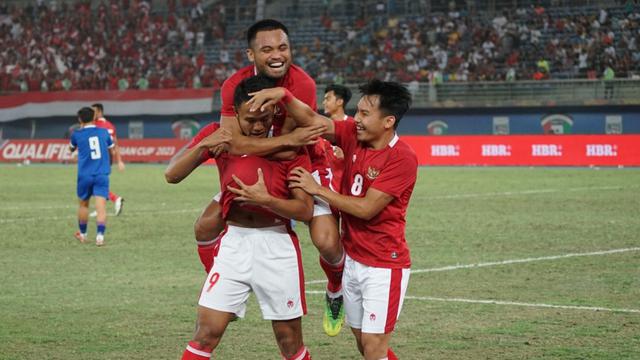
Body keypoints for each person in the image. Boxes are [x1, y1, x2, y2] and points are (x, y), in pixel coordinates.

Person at [181, 19, 346, 337]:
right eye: (266, 48)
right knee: (205, 225)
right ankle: (220, 290)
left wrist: (283, 108)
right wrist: (277, 147)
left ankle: (336, 289)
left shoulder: (304, 84)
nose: (276, 54)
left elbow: (296, 144)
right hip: (263, 162)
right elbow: (233, 140)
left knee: (326, 241)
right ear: (250, 54)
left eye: (282, 47)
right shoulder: (233, 85)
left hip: (306, 162)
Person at [249, 79, 417, 360]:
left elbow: (366, 209)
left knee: (374, 347)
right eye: (358, 111)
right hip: (352, 260)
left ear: (388, 121)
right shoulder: (353, 133)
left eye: (365, 114)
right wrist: (285, 95)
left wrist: (318, 190)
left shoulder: (402, 158)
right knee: (365, 345)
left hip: (384, 266)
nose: (357, 119)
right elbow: (314, 120)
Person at [179, 75, 314, 360]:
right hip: (234, 244)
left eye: (264, 118)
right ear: (235, 114)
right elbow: (172, 175)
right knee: (205, 335)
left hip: (277, 247)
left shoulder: (290, 149)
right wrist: (204, 147)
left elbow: (305, 210)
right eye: (249, 119)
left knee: (289, 343)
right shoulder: (220, 136)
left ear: (274, 113)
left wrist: (268, 200)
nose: (257, 126)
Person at [69, 107, 116, 247]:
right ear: (94, 117)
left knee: (83, 205)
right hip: (101, 173)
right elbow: (111, 149)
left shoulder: (76, 134)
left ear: (80, 119)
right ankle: (100, 237)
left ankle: (83, 234)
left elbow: (71, 149)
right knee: (101, 206)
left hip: (85, 174)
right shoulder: (104, 132)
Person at [92, 103, 125, 216]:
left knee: (94, 184)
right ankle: (100, 208)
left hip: (98, 159)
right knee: (98, 184)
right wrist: (119, 160)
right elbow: (115, 144)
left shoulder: (95, 125)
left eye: (94, 111)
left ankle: (116, 199)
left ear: (100, 112)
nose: (92, 114)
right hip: (107, 160)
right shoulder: (110, 126)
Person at [322, 83, 354, 193]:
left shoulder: (353, 126)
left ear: (340, 102)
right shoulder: (321, 128)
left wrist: (348, 155)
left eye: (328, 99)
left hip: (347, 189)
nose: (324, 102)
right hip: (325, 187)